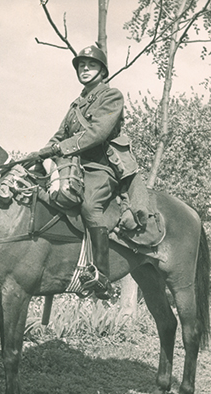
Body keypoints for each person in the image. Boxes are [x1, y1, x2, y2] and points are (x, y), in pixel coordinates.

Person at [27, 45, 140, 299]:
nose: (85, 69)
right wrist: (41, 153)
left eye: (90, 65)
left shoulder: (112, 97)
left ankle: (102, 276)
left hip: (101, 167)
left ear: (102, 70)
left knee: (90, 205)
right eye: (81, 65)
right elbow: (59, 135)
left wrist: (60, 148)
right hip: (74, 167)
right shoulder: (76, 104)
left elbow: (97, 133)